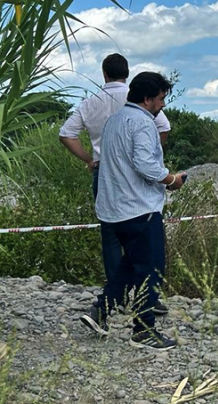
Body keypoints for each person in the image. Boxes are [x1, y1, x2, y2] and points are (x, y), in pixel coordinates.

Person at [79, 72, 185, 351]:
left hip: (113, 209)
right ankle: (144, 330)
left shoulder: (113, 121)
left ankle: (99, 312)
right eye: (161, 98)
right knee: (152, 270)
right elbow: (146, 165)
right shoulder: (142, 123)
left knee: (129, 264)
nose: (163, 104)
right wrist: (172, 179)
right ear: (148, 98)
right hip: (140, 208)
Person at [59, 54, 172, 315]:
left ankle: (111, 303)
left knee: (114, 240)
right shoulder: (142, 115)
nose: (162, 105)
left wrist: (89, 159)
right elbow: (160, 135)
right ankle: (145, 315)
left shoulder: (94, 104)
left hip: (106, 174)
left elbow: (67, 133)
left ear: (104, 73)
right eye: (161, 100)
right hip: (139, 191)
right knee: (148, 255)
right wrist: (160, 165)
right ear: (127, 72)